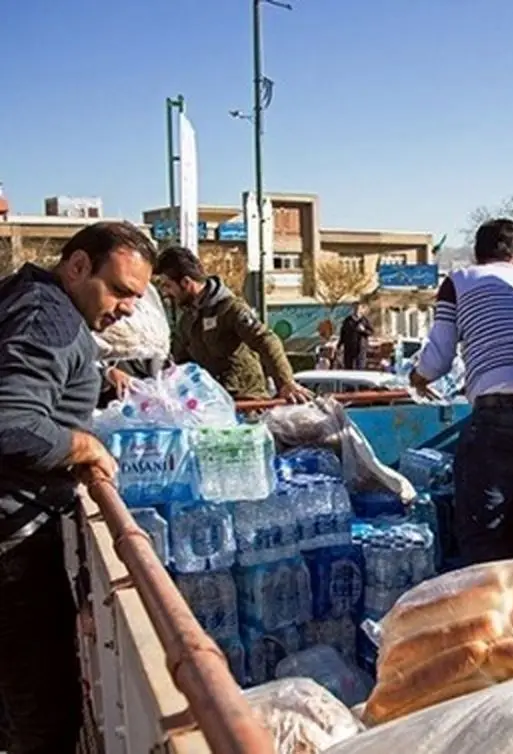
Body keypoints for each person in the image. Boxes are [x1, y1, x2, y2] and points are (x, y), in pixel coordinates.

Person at [0, 221, 156, 754]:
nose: (128, 308)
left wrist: (99, 374)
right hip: (13, 549)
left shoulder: (33, 302)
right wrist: (86, 447)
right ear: (78, 266)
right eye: (120, 291)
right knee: (43, 718)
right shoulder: (50, 319)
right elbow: (12, 423)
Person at [410, 219, 513, 564]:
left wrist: (417, 379)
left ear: (477, 253)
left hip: (499, 413)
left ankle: (495, 614)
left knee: (481, 533)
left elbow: (438, 358)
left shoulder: (459, 281)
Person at [153, 245, 313, 402]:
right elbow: (180, 363)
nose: (167, 293)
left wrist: (286, 383)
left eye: (168, 286)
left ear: (186, 283)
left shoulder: (230, 309)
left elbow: (266, 340)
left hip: (247, 404)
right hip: (213, 406)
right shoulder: (187, 320)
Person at [337, 302, 375, 370]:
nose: (356, 309)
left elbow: (371, 332)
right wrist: (339, 345)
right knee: (348, 367)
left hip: (361, 348)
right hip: (349, 348)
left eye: (358, 308)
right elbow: (342, 334)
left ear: (361, 309)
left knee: (360, 367)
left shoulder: (364, 320)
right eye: (355, 308)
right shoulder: (347, 320)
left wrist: (363, 330)